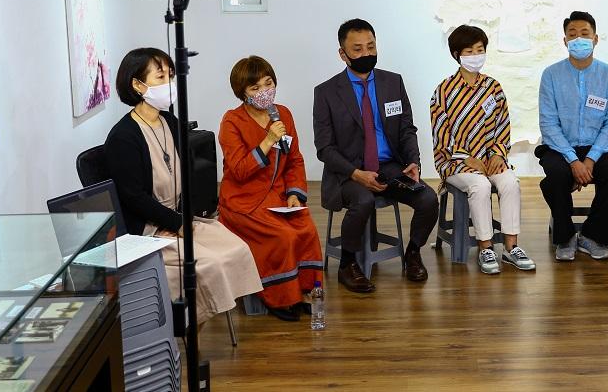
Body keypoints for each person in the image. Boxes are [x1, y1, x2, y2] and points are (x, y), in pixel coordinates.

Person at [103, 48, 262, 325]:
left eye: (171, 76)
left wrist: (182, 218)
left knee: (236, 248)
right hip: (148, 229)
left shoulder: (170, 121)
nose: (169, 83)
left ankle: (201, 319)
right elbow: (133, 197)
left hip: (178, 218)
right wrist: (173, 223)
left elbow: (187, 177)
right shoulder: (123, 137)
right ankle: (187, 328)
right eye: (160, 77)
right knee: (209, 264)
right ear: (137, 85)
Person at [313, 19, 439, 293]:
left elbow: (406, 128)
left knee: (428, 199)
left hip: (389, 166)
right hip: (347, 172)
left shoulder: (392, 82)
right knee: (364, 200)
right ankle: (347, 264)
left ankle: (413, 252)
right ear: (342, 54)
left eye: (371, 47)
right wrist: (356, 174)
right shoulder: (326, 92)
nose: (366, 53)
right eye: (357, 49)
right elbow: (324, 148)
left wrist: (413, 161)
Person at [218, 56, 325, 321]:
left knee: (307, 229)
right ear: (242, 92)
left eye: (268, 83)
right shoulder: (231, 122)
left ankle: (300, 292)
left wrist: (294, 193)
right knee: (282, 236)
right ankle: (279, 298)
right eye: (255, 88)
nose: (265, 91)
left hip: (278, 197)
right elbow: (239, 170)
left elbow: (295, 159)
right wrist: (268, 140)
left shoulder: (283, 114)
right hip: (243, 202)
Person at [430, 25, 534, 275]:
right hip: (454, 162)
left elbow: (503, 125)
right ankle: (485, 248)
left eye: (480, 50)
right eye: (469, 51)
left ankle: (511, 247)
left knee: (510, 182)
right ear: (457, 54)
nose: (476, 55)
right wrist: (468, 160)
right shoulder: (443, 91)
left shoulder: (493, 88)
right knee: (480, 185)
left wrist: (497, 154)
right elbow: (441, 135)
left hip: (490, 159)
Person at [537, 11, 608, 262]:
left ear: (595, 39)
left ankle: (592, 235)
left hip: (598, 147)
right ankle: (565, 236)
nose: (579, 39)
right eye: (572, 34)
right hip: (559, 147)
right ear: (565, 40)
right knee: (556, 178)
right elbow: (548, 123)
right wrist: (573, 160)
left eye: (585, 34)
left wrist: (590, 159)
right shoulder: (551, 75)